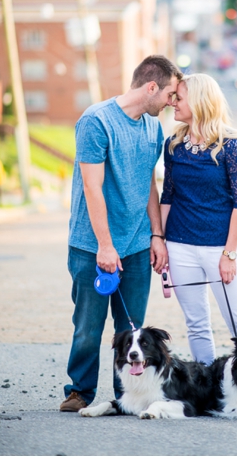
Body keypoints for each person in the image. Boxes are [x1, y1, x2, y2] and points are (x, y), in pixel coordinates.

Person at [61, 55, 180, 412]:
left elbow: (149, 184)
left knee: (132, 328)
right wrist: (105, 246)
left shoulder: (151, 128)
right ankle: (80, 390)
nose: (173, 103)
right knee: (88, 327)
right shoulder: (96, 122)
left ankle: (125, 395)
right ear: (151, 87)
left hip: (137, 244)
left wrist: (156, 235)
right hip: (92, 245)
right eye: (171, 95)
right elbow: (92, 187)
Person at [160, 72, 237, 364]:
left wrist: (229, 253)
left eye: (179, 97)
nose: (172, 102)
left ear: (200, 101)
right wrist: (161, 242)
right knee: (197, 326)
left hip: (220, 249)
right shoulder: (173, 145)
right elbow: (168, 194)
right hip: (180, 247)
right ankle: (208, 393)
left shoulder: (232, 146)